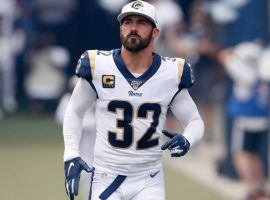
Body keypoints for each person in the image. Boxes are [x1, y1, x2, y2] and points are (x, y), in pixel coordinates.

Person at [63, 1, 204, 200]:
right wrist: (71, 153)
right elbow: (74, 110)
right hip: (106, 174)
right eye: (127, 22)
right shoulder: (98, 65)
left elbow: (194, 121)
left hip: (149, 177)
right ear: (121, 28)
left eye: (141, 23)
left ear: (155, 32)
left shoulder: (171, 72)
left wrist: (188, 138)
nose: (133, 28)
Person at [218, 41, 270, 200]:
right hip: (262, 120)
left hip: (245, 120)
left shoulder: (244, 73)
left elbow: (223, 56)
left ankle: (253, 191)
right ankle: (260, 188)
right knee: (254, 155)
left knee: (240, 155)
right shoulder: (263, 73)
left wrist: (236, 50)